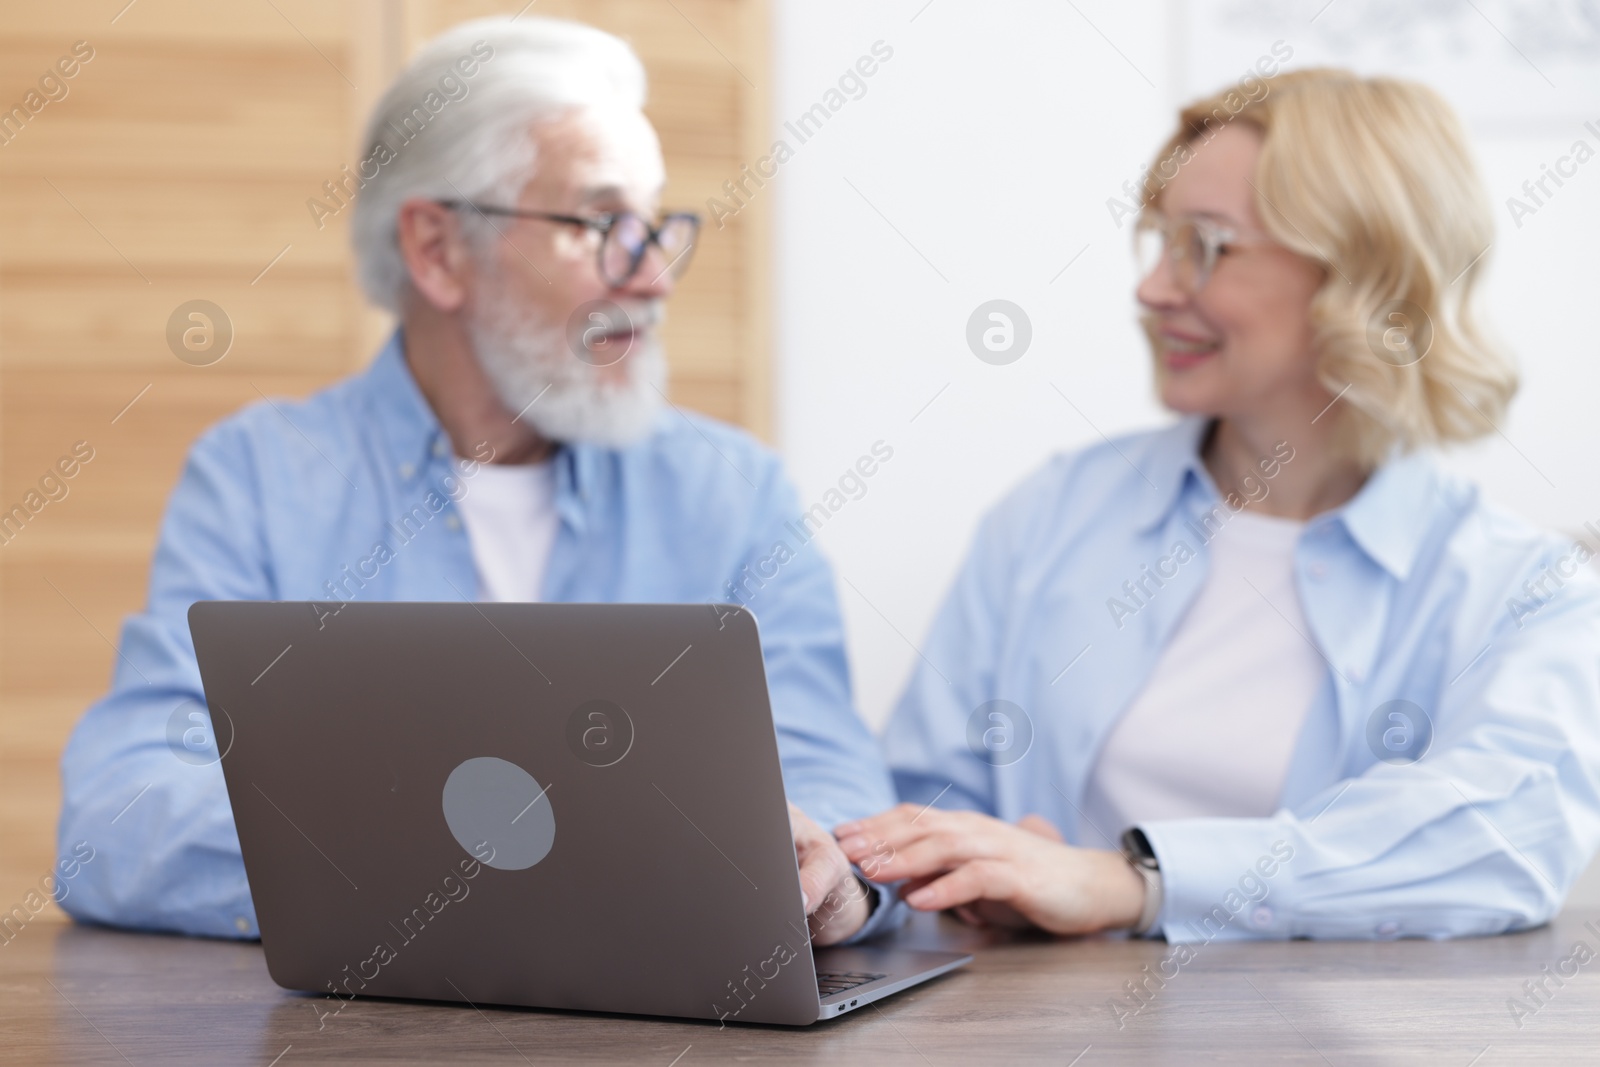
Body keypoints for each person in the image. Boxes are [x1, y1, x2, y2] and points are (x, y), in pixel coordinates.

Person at [58, 15, 894, 945]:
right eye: (602, 225)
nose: (653, 276)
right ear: (437, 251)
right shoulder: (259, 479)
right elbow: (117, 819)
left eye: (656, 226)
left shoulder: (734, 495)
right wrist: (495, 865)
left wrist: (830, 877)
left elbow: (837, 792)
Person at [838, 69, 1600, 942]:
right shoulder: (1053, 512)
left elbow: (1506, 841)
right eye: (1158, 241)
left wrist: (1132, 882)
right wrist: (965, 866)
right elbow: (922, 796)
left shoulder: (1523, 588)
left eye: (1203, 246)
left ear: (1359, 270)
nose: (1154, 289)